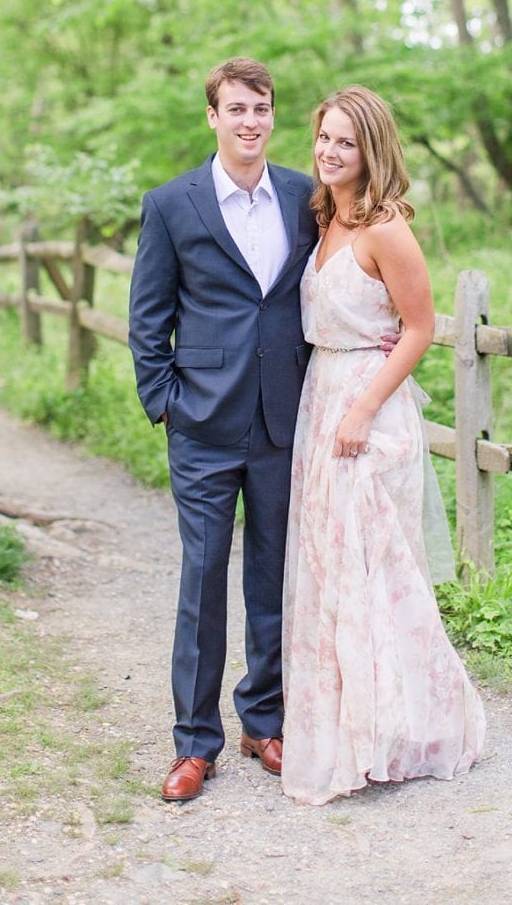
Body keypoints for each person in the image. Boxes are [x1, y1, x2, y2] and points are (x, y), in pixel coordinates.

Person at [281, 84, 484, 806]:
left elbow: (421, 328)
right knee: (328, 568)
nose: (330, 151)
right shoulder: (323, 218)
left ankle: (408, 726)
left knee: (372, 569)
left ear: (371, 151)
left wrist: (364, 408)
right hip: (320, 400)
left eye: (345, 141)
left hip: (368, 411)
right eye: (324, 138)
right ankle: (345, 725)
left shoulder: (387, 229)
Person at [128, 57, 315, 801]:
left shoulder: (305, 197)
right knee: (202, 581)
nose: (250, 121)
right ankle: (194, 743)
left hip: (281, 419)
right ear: (213, 116)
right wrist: (166, 402)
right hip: (201, 424)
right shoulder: (172, 204)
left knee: (272, 577)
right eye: (236, 108)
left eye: (261, 109)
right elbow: (149, 319)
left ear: (273, 116)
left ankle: (263, 720)